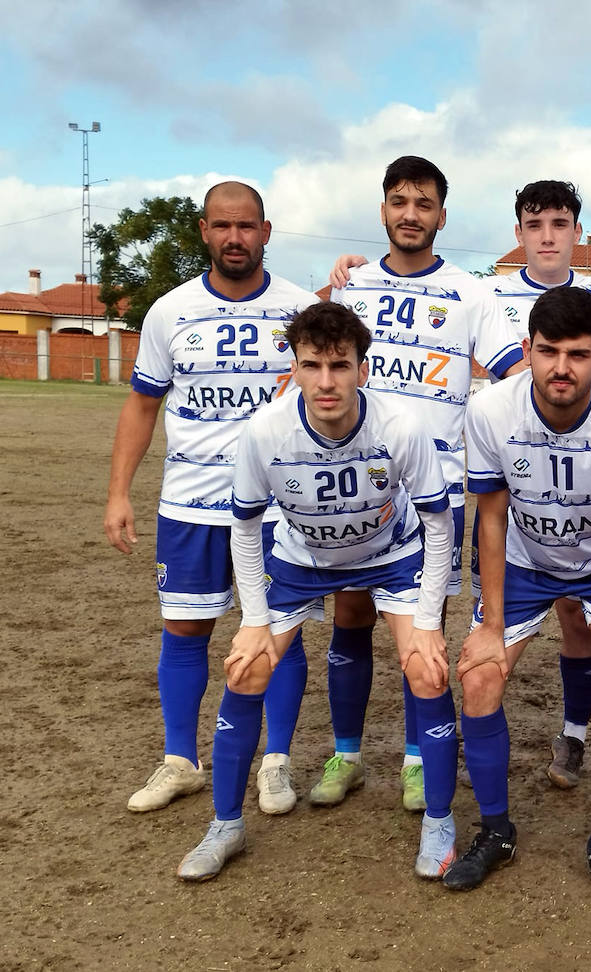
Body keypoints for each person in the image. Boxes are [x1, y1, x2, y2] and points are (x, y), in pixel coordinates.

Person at [176, 301, 459, 882]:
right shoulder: (265, 431)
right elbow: (247, 526)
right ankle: (225, 825)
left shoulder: (400, 428)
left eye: (339, 365)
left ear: (363, 368)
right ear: (295, 368)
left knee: (427, 670)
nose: (326, 382)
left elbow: (438, 524)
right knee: (246, 666)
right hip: (303, 558)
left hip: (390, 554)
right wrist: (254, 617)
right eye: (312, 366)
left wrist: (428, 622)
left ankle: (439, 818)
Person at [441, 287, 591, 908]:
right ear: (526, 351)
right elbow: (489, 517)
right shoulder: (490, 412)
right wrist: (488, 621)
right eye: (548, 352)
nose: (561, 367)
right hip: (525, 562)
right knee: (479, 675)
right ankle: (496, 830)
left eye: (578, 354)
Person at [106, 181, 316, 817]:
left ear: (266, 231)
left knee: (281, 634)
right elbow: (143, 405)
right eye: (222, 226)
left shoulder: (300, 310)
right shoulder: (169, 312)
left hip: (278, 508)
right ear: (203, 230)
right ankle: (180, 761)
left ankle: (275, 762)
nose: (234, 237)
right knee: (184, 629)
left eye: (246, 226)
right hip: (191, 504)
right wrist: (119, 493)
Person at [322, 156, 524, 814]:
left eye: (424, 203)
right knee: (349, 613)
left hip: (435, 490)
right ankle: (347, 755)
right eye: (400, 201)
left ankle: (416, 759)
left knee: (424, 628)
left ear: (442, 215)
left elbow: (515, 374)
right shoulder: (350, 291)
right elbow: (315, 372)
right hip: (358, 485)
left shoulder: (472, 294)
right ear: (384, 210)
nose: (411, 213)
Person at [481, 181, 591, 790]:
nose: (549, 236)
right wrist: (350, 269)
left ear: (577, 232)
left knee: (579, 615)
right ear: (519, 233)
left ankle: (575, 734)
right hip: (521, 478)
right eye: (536, 225)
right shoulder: (489, 297)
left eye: (561, 223)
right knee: (538, 607)